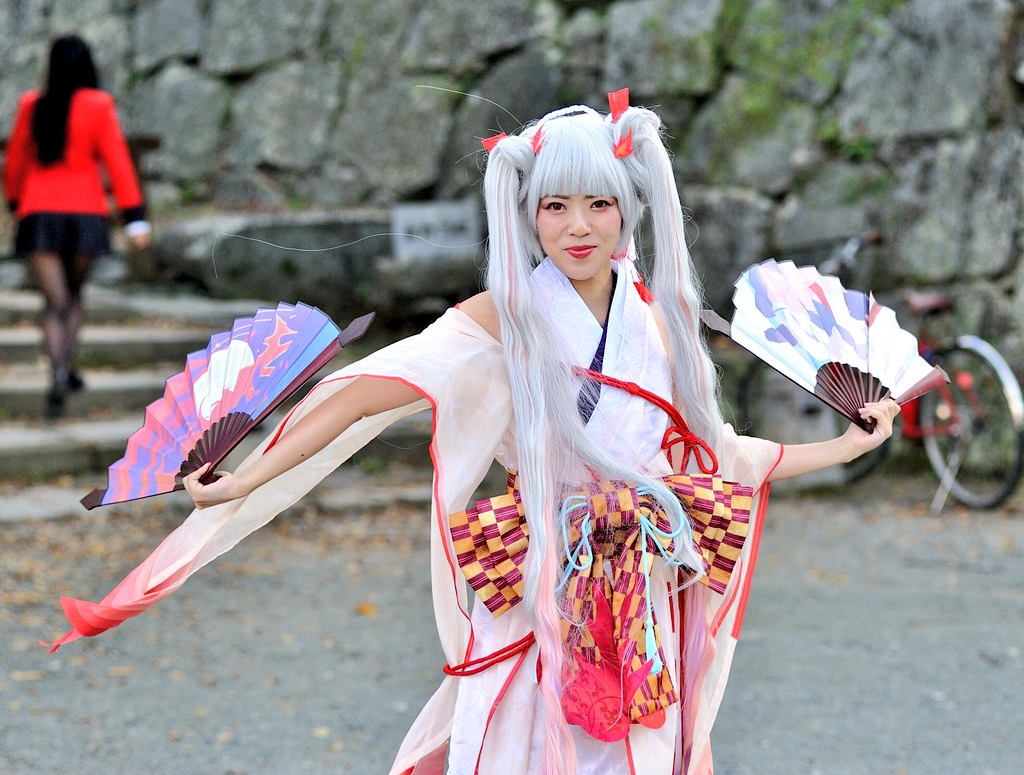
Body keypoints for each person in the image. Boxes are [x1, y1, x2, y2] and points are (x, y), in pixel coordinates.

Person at [46, 93, 898, 775]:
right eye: (555, 206)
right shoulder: (504, 315)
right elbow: (367, 393)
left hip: (642, 587)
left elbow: (724, 455)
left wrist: (848, 444)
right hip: (540, 574)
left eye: (599, 204)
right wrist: (246, 475)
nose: (577, 226)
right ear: (527, 214)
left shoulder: (659, 323)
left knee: (638, 751)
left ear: (629, 211)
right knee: (516, 742)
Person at [3, 34, 151, 417]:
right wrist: (135, 216)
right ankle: (66, 366)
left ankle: (58, 371)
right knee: (73, 296)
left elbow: (15, 161)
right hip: (86, 214)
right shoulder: (99, 104)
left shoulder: (31, 103)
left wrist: (15, 202)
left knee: (54, 302)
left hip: (38, 213)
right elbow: (118, 161)